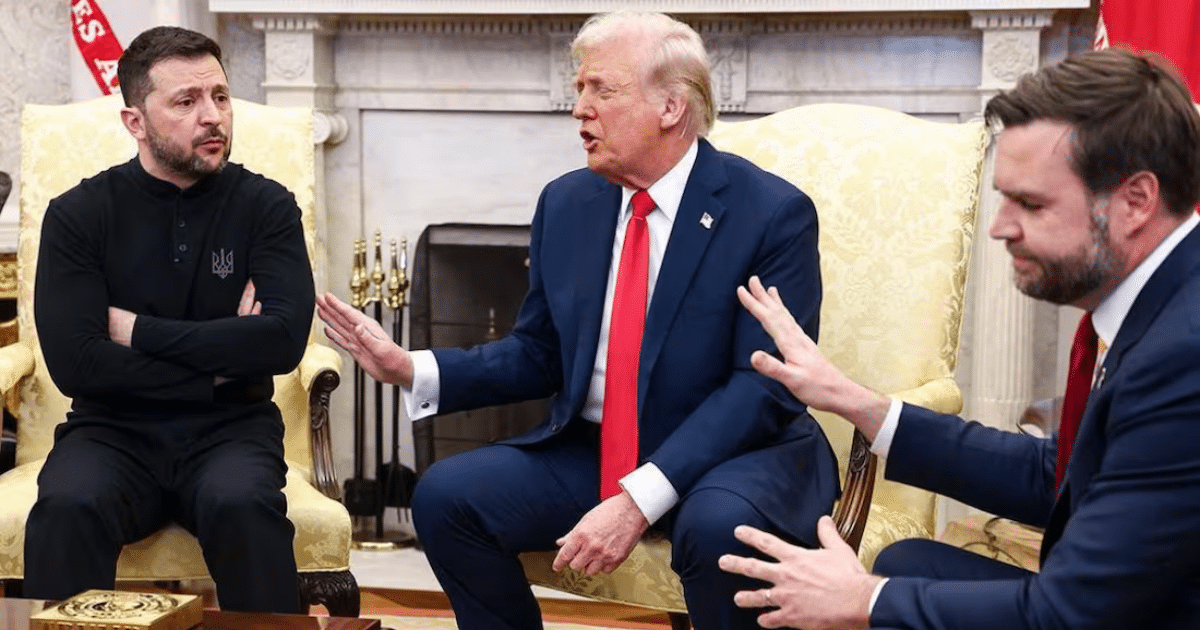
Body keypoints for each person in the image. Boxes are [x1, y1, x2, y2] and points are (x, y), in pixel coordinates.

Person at [317, 10, 838, 629]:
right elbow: (539, 352)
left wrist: (638, 500)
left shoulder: (771, 213)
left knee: (717, 528)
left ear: (671, 107)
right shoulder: (568, 202)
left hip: (733, 457)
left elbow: (762, 387)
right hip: (599, 449)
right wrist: (411, 368)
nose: (579, 109)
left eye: (602, 90)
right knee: (448, 497)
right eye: (579, 88)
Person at [719, 47, 1200, 630]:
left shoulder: (1182, 359)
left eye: (1031, 203)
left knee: (886, 599)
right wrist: (855, 401)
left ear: (1136, 201)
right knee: (906, 563)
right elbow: (1059, 476)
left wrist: (862, 601)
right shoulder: (1151, 300)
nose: (999, 227)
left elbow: (1072, 612)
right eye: (1003, 197)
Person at [24, 26, 315, 613]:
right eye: (186, 101)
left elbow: (282, 343)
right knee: (66, 506)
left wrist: (135, 331)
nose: (213, 116)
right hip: (111, 430)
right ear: (135, 122)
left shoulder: (267, 207)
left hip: (231, 428)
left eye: (220, 97)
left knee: (244, 506)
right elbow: (77, 365)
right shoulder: (78, 215)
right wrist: (220, 363)